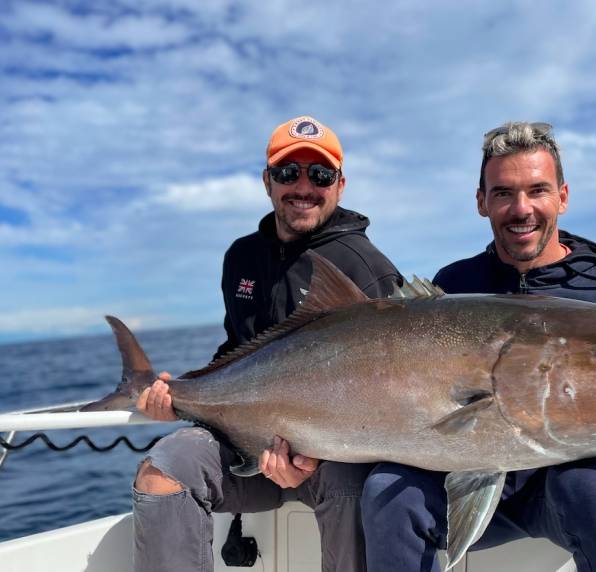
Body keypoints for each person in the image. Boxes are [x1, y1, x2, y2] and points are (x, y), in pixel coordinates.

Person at [361, 121, 596, 571]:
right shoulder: (454, 288)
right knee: (385, 488)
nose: (521, 208)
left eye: (537, 190)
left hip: (558, 493)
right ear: (482, 202)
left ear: (563, 196)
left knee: (593, 486)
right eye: (503, 193)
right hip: (462, 480)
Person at [133, 115, 401, 572]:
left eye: (319, 175)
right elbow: (235, 351)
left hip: (332, 462)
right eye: (286, 172)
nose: (303, 186)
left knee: (353, 483)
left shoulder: (366, 268)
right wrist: (176, 396)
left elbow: (395, 398)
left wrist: (309, 455)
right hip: (246, 447)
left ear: (340, 184)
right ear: (267, 181)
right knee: (165, 469)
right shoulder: (241, 257)